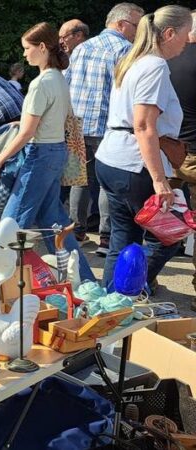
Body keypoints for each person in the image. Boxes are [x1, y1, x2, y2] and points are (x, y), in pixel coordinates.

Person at [0, 22, 94, 282]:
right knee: (53, 220)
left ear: (42, 47)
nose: (24, 54)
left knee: (11, 224)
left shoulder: (40, 83)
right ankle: (85, 281)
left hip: (40, 154)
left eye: (27, 48)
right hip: (55, 152)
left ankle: (0, 281)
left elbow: (27, 133)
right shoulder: (59, 78)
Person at [96, 6, 192, 291]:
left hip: (113, 158)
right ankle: (128, 290)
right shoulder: (155, 66)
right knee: (171, 235)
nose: (187, 41)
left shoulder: (133, 60)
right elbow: (143, 125)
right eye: (186, 35)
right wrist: (159, 180)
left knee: (122, 239)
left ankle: (112, 303)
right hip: (134, 164)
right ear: (170, 33)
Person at [67, 2, 144, 251]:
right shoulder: (126, 50)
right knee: (104, 185)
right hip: (106, 124)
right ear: (121, 24)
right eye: (136, 25)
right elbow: (127, 92)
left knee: (79, 180)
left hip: (77, 124)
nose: (138, 31)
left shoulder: (81, 48)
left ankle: (76, 231)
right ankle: (106, 237)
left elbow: (67, 83)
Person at [168, 10, 196, 310]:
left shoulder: (164, 59)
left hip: (166, 149)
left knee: (157, 215)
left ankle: (143, 279)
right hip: (194, 151)